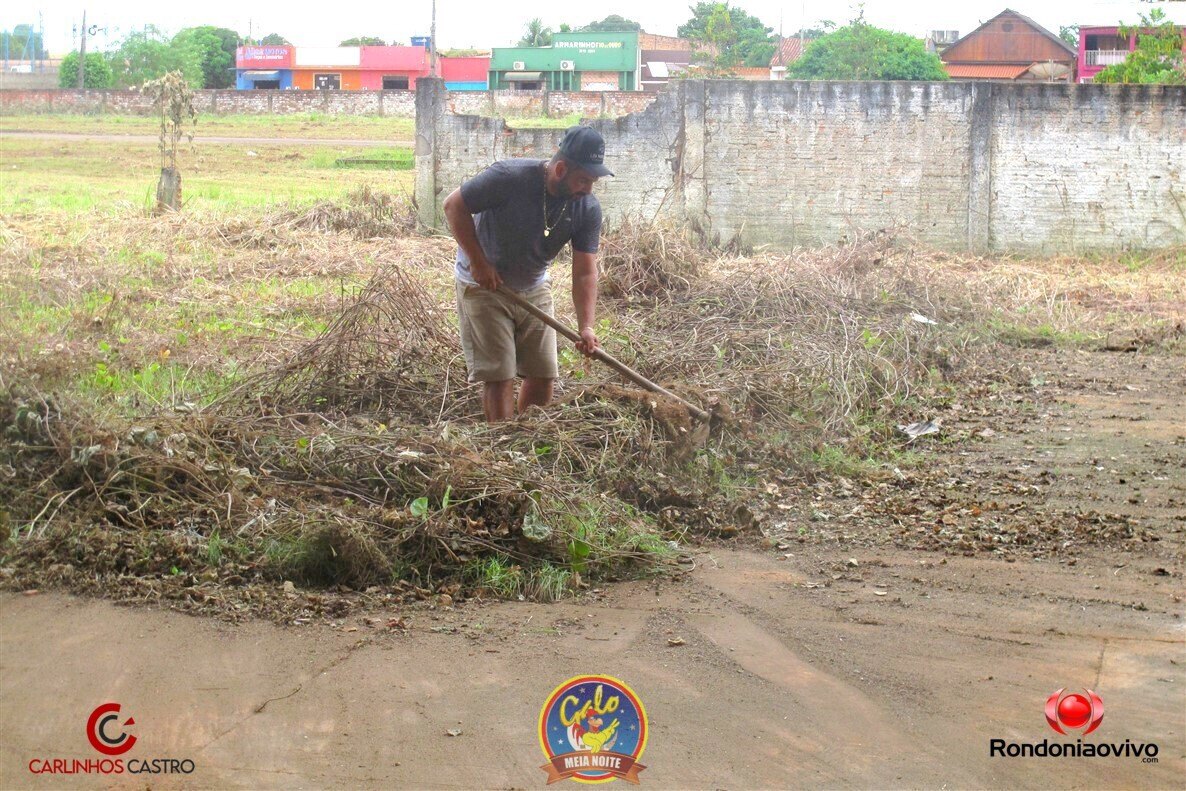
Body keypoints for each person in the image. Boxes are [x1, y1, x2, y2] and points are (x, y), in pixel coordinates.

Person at [443, 125, 612, 422]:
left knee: (543, 374)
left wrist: (587, 326)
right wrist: (479, 263)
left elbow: (585, 272)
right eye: (583, 180)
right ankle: (502, 444)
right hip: (485, 287)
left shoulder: (586, 208)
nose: (588, 189)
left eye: (593, 181)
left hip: (534, 286)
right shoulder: (508, 177)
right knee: (500, 376)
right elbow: (454, 205)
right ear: (560, 169)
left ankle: (527, 441)